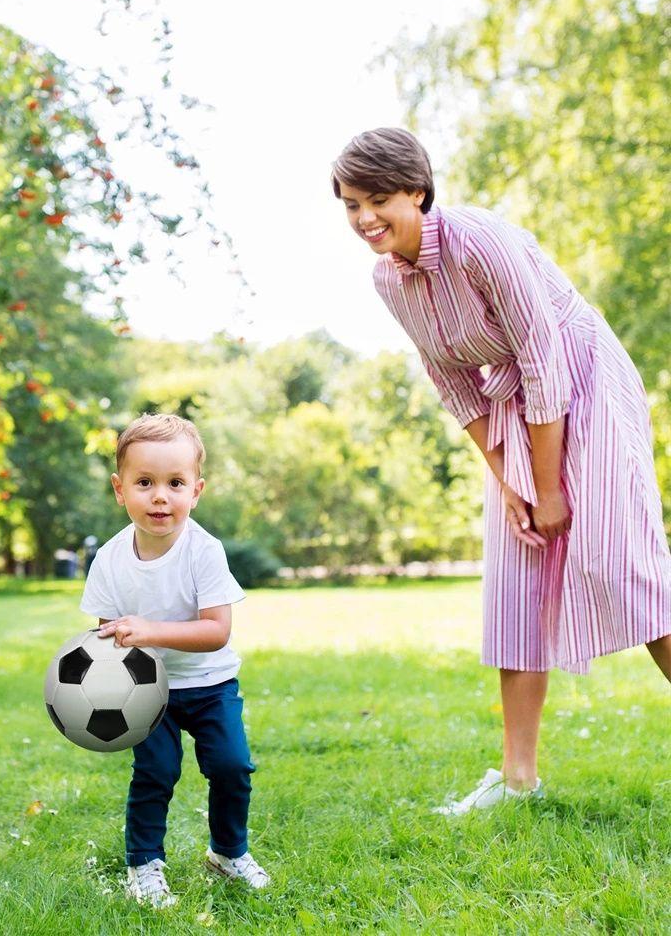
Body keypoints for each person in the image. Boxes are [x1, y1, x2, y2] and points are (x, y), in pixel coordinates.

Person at [331, 127, 670, 814]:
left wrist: (548, 489)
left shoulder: (480, 241)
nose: (365, 218)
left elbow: (544, 358)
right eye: (351, 205)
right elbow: (452, 381)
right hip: (516, 406)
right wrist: (511, 483)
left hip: (584, 376)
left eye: (378, 200)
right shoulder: (388, 279)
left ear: (416, 191)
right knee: (518, 579)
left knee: (618, 564)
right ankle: (518, 783)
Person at [81, 413, 269, 907]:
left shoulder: (204, 551)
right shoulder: (109, 559)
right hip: (148, 689)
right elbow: (106, 639)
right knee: (156, 772)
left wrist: (150, 630)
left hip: (211, 684)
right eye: (145, 482)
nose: (160, 496)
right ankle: (144, 864)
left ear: (196, 491)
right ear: (120, 490)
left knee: (231, 766)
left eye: (175, 483)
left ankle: (228, 853)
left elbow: (216, 632)